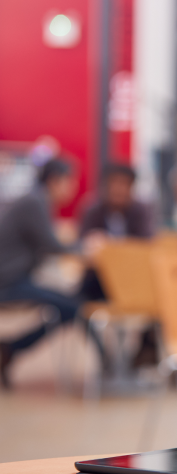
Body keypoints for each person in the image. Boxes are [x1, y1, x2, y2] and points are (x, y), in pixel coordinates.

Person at [0, 159, 106, 388]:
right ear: (54, 180)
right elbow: (52, 245)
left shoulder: (37, 200)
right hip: (8, 282)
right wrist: (85, 248)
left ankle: (10, 349)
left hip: (17, 278)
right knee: (74, 306)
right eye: (70, 181)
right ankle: (106, 364)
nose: (72, 187)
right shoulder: (35, 201)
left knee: (71, 305)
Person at [78, 163, 153, 301]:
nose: (119, 189)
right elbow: (83, 244)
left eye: (124, 184)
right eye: (114, 183)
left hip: (131, 277)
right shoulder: (93, 210)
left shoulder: (141, 211)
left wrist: (110, 245)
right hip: (99, 277)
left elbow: (145, 246)